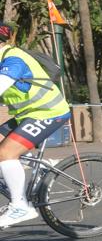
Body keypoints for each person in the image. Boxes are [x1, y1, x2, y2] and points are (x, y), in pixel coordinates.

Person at [0, 23, 72, 228]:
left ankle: (20, 206)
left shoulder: (12, 60)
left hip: (49, 112)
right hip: (28, 114)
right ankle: (39, 166)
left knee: (5, 154)